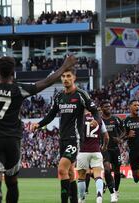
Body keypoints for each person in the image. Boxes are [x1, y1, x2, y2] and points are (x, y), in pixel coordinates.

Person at [0, 56, 77, 203]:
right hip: (13, 142)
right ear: (13, 72)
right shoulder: (19, 89)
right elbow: (46, 82)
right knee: (12, 183)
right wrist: (63, 67)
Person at [32, 66, 100, 203]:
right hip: (62, 138)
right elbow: (51, 115)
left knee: (62, 169)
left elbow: (95, 111)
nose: (65, 79)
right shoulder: (58, 96)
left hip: (75, 138)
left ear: (74, 78)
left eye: (68, 76)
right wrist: (39, 124)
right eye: (63, 77)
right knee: (69, 173)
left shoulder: (81, 94)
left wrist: (96, 120)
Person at [77, 111, 109, 203]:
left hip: (83, 151)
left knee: (81, 177)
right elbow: (106, 137)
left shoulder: (80, 119)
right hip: (96, 151)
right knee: (98, 175)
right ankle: (99, 196)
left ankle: (82, 198)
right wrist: (104, 146)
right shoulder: (99, 119)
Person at [100, 100, 124, 201]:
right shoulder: (99, 120)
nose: (108, 108)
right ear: (101, 109)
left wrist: (120, 138)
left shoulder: (116, 119)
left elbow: (124, 130)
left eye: (109, 106)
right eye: (106, 107)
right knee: (106, 169)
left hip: (115, 149)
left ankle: (116, 190)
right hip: (105, 149)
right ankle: (112, 192)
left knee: (117, 172)